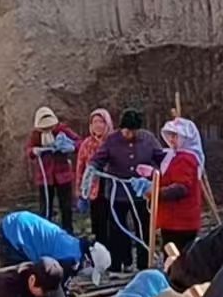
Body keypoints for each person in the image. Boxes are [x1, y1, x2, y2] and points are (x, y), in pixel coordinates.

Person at [94, 109, 164, 271]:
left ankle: (144, 264)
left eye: (132, 131)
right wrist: (93, 168)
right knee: (117, 229)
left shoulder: (148, 139)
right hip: (118, 193)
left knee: (144, 228)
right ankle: (118, 264)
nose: (129, 134)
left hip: (141, 193)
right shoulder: (112, 140)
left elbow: (161, 159)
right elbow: (98, 159)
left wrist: (153, 172)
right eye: (126, 131)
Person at [0, 210, 113, 281]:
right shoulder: (69, 260)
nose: (86, 275)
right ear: (88, 261)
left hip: (13, 224)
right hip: (8, 235)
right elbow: (51, 286)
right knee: (17, 282)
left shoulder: (75, 245)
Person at [154, 119, 204, 253]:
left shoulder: (185, 159)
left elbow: (181, 188)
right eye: (170, 136)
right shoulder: (175, 156)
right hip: (174, 220)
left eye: (175, 136)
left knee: (176, 256)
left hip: (180, 221)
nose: (171, 139)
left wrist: (156, 193)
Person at [26, 106, 77, 231]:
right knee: (45, 208)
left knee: (66, 206)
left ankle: (68, 231)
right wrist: (34, 151)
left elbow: (79, 142)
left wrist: (71, 146)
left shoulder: (62, 130)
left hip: (63, 176)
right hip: (45, 177)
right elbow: (29, 150)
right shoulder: (36, 135)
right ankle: (46, 233)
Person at [73, 108, 113, 241]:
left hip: (113, 187)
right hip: (94, 188)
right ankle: (100, 248)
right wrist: (80, 192)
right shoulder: (87, 144)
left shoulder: (114, 141)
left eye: (101, 122)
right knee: (98, 221)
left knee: (113, 222)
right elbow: (80, 168)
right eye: (95, 122)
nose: (98, 125)